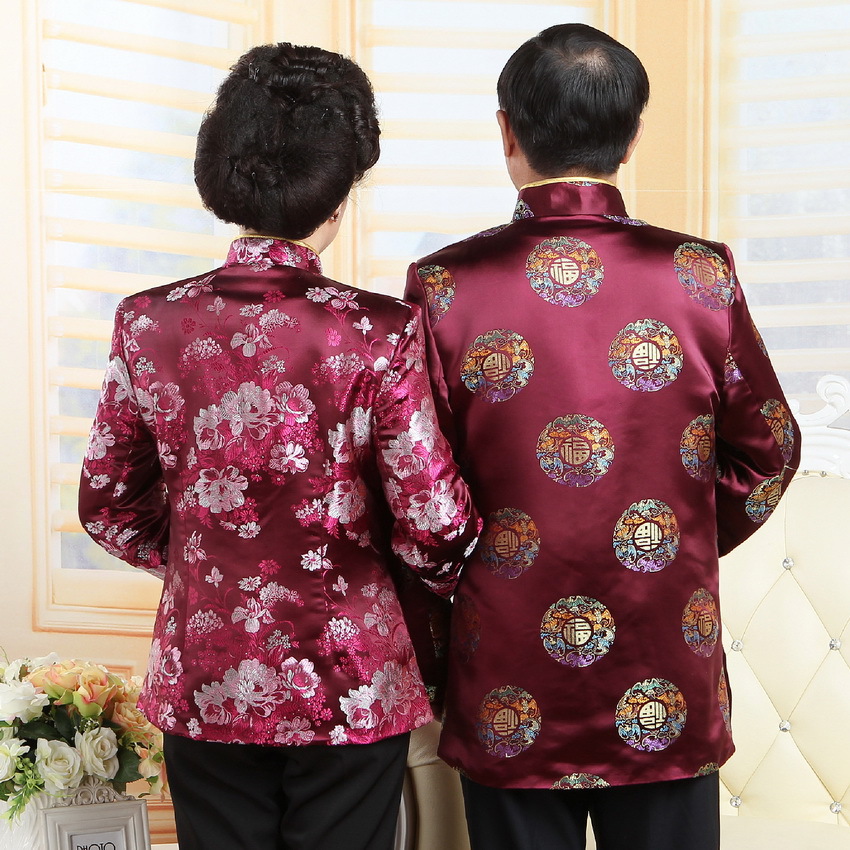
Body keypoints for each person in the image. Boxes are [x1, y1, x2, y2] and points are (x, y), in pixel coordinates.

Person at [404, 23, 801, 850]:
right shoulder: (699, 273)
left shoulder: (444, 286)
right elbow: (769, 449)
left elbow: (420, 490)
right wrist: (671, 541)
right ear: (633, 134)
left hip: (505, 663)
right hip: (665, 658)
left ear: (507, 131)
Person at [79, 42, 479, 850]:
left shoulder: (146, 321)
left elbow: (108, 507)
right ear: (340, 191)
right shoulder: (381, 331)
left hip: (203, 671)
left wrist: (208, 559)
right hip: (350, 679)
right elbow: (436, 525)